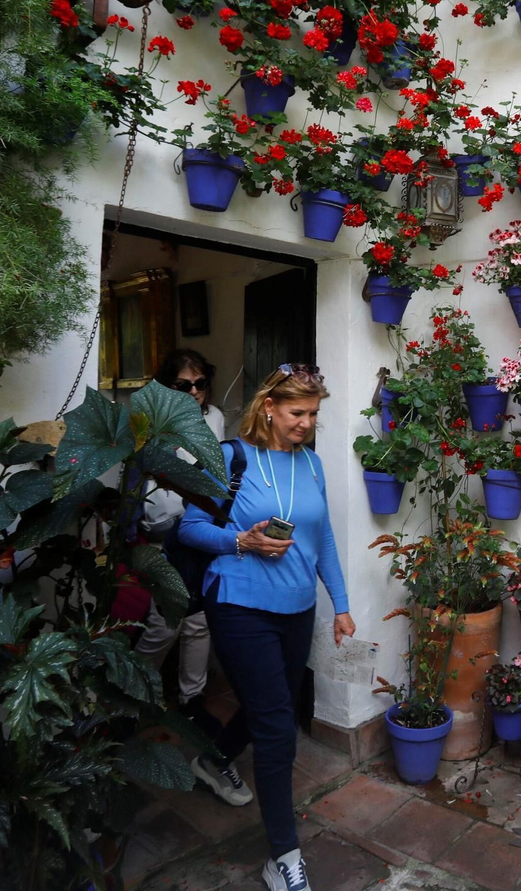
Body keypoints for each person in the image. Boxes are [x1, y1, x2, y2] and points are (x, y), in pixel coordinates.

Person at [178, 363, 355, 891]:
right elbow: (190, 527)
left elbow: (322, 538)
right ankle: (283, 856)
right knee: (278, 727)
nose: (307, 423)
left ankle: (212, 762)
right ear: (269, 407)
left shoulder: (313, 464)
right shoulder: (231, 458)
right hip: (239, 603)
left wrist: (341, 605)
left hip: (297, 607)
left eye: (314, 414)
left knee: (270, 704)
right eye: (298, 412)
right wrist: (243, 541)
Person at [138, 349, 228, 736]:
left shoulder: (215, 418)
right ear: (166, 386)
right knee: (164, 621)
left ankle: (192, 697)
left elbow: (215, 471)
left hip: (199, 526)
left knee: (198, 622)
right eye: (183, 385)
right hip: (163, 526)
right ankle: (135, 693)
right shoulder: (151, 420)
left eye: (200, 383)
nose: (193, 391)